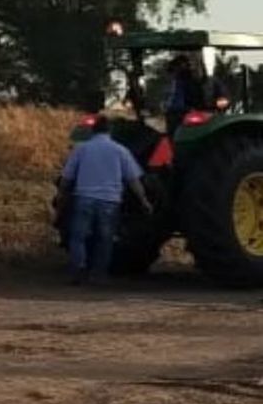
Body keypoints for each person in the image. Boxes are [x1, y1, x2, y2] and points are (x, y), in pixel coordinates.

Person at [59, 114, 152, 285]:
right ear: (110, 131)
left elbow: (67, 177)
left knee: (78, 236)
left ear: (92, 130)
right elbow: (133, 180)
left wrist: (61, 195)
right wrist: (144, 200)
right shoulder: (120, 150)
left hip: (84, 197)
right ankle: (98, 274)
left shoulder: (81, 149)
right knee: (105, 238)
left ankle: (78, 270)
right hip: (110, 201)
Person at [164, 55, 203, 134]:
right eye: (177, 66)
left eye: (181, 65)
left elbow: (197, 97)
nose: (178, 69)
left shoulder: (191, 82)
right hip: (173, 113)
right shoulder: (171, 82)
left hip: (186, 113)